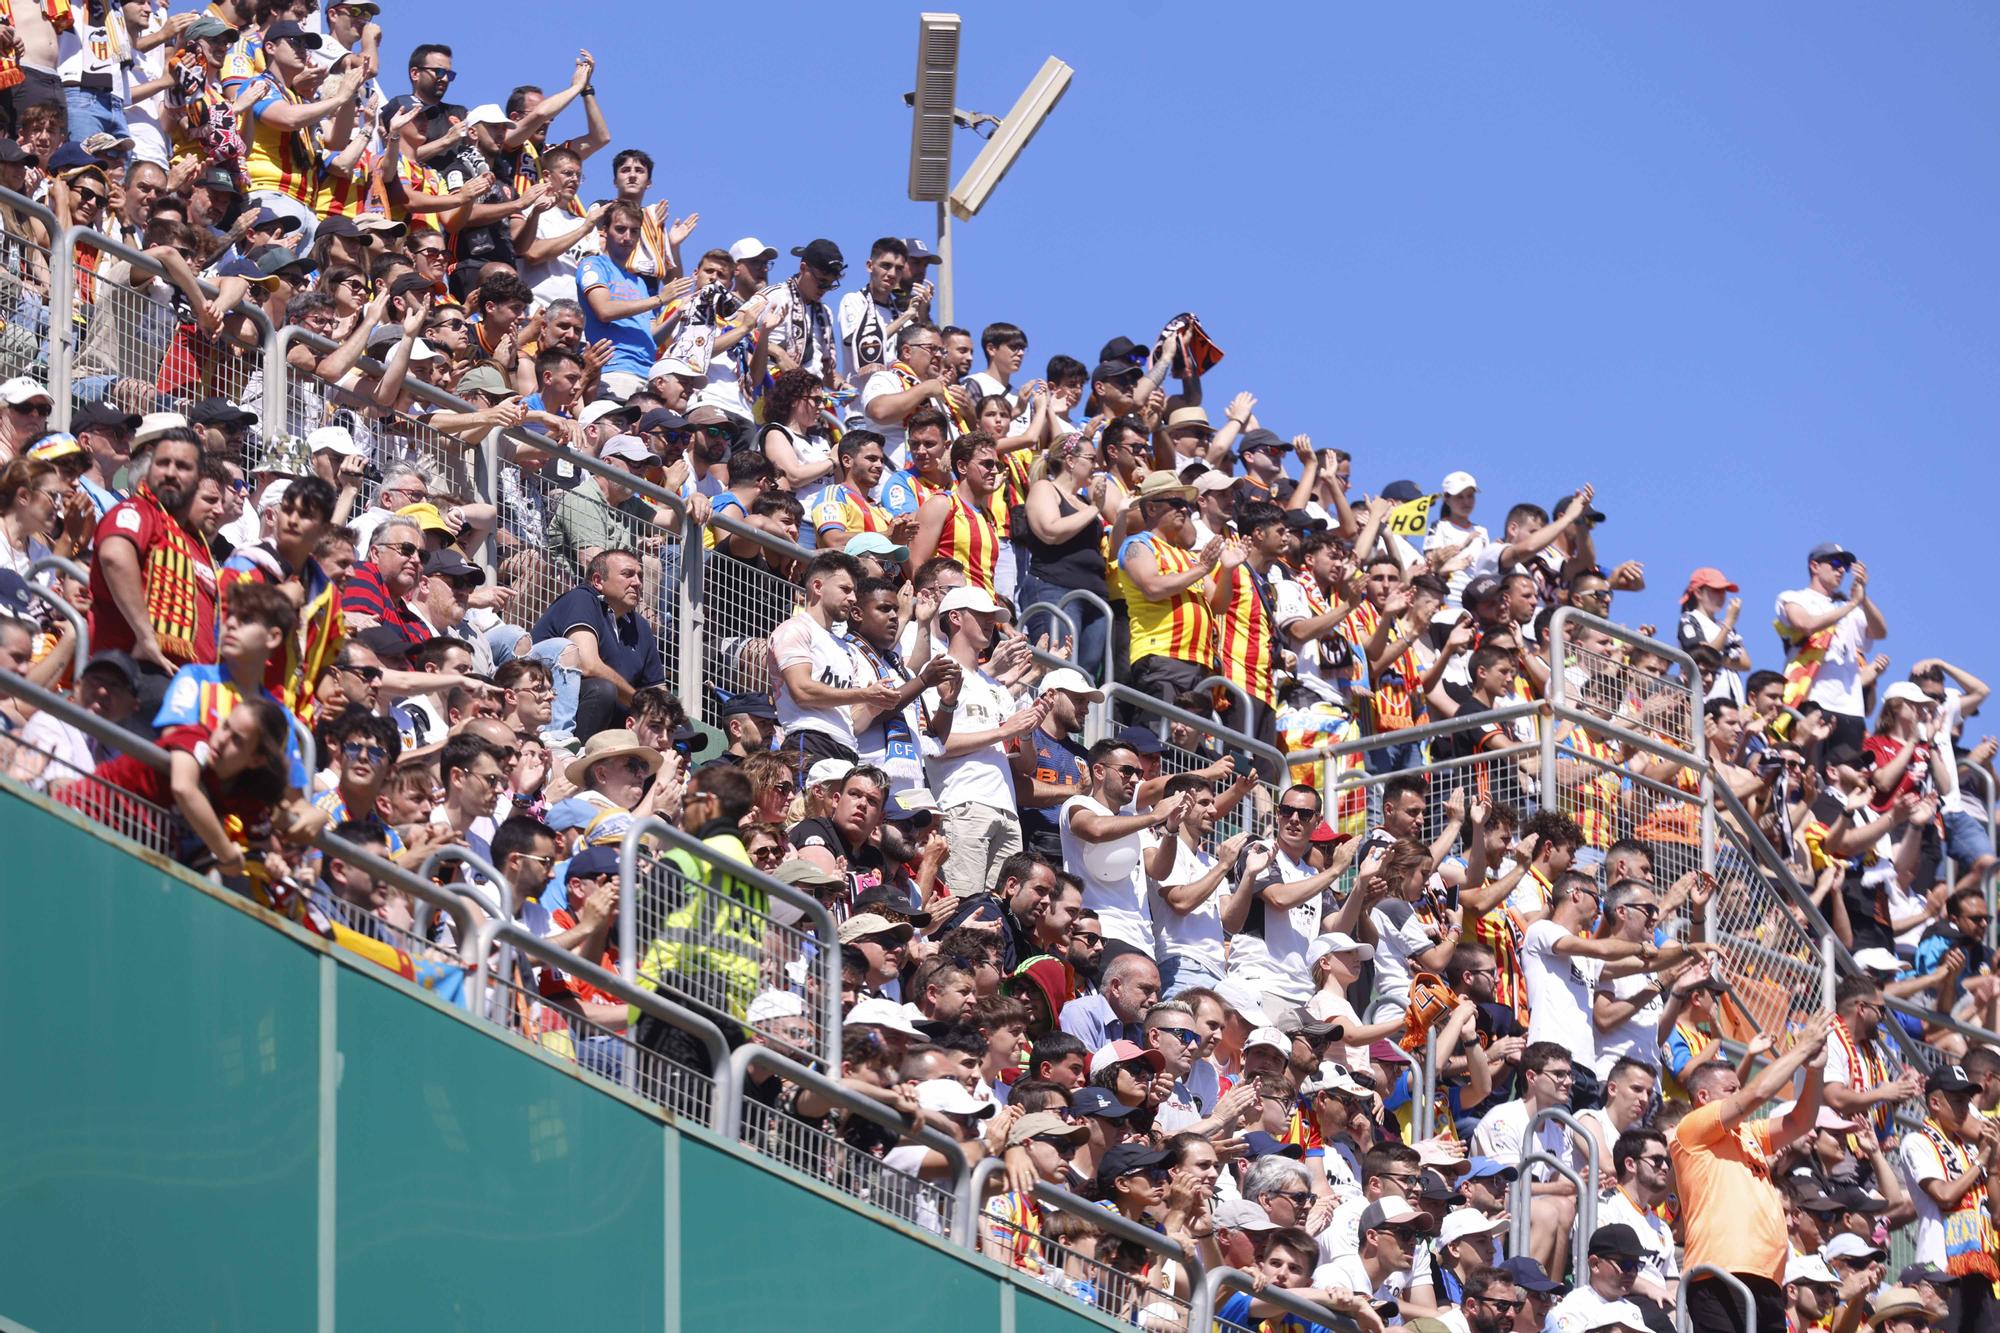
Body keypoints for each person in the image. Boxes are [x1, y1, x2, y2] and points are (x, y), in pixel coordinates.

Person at [1673, 1012, 1837, 1333]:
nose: (1738, 1094)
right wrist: (1802, 1049)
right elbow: (1757, 1094)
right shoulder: (1691, 1129)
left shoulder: (1747, 1132)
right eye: (1730, 1089)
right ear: (1703, 1097)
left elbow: (1799, 1123)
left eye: (1738, 1088)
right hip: (1720, 1275)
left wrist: (1815, 1071)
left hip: (1767, 1279)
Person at [919, 584, 1041, 896]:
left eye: (992, 617)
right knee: (964, 903)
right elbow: (934, 746)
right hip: (963, 803)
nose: (990, 622)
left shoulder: (996, 687)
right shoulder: (937, 671)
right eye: (981, 615)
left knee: (998, 912)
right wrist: (1004, 730)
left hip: (1006, 809)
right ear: (955, 618)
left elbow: (1026, 765)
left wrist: (1025, 730)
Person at [768, 550, 900, 776]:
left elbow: (854, 724)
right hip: (808, 739)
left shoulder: (846, 649)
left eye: (854, 592)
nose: (852, 598)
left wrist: (872, 707)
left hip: (847, 750)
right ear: (818, 587)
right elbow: (803, 691)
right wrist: (864, 694)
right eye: (845, 589)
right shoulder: (795, 629)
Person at [1897, 1062, 2000, 1333]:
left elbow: (1996, 1214)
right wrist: (1980, 1162)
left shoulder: (1969, 1150)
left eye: (1967, 1102)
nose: (1964, 1109)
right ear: (1935, 1103)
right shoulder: (1916, 1142)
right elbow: (1943, 1195)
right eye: (1956, 1101)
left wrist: (1992, 1166)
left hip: (1979, 1267)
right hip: (1940, 1269)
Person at [526, 548, 664, 746]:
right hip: (547, 703)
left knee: (667, 723)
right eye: (627, 574)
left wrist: (666, 714)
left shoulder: (640, 626)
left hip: (610, 718)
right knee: (603, 689)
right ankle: (575, 755)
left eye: (640, 576)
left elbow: (658, 692)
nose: (637, 583)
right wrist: (642, 703)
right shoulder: (581, 599)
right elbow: (587, 664)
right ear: (598, 581)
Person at [1115, 471, 1219, 706]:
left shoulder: (1187, 557)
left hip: (1197, 662)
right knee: (1159, 735)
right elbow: (1152, 587)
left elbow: (1218, 604)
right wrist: (1203, 567)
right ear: (1151, 509)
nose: (1184, 509)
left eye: (1186, 505)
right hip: (1161, 656)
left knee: (1185, 741)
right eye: (1176, 503)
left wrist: (1230, 568)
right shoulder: (1139, 545)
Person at [1775, 543, 1888, 749]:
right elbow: (1805, 624)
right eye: (1835, 563)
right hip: (1813, 699)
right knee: (1812, 769)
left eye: (1844, 565)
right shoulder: (1793, 597)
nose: (1842, 570)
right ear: (1814, 566)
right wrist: (1852, 604)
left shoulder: (1847, 607)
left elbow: (1880, 632)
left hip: (1851, 708)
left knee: (1845, 773)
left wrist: (1862, 599)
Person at [1545, 1225, 1649, 1333]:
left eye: (1637, 1265)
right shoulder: (1573, 1307)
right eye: (1625, 1264)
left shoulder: (1633, 1309)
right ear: (1595, 1264)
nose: (1632, 1272)